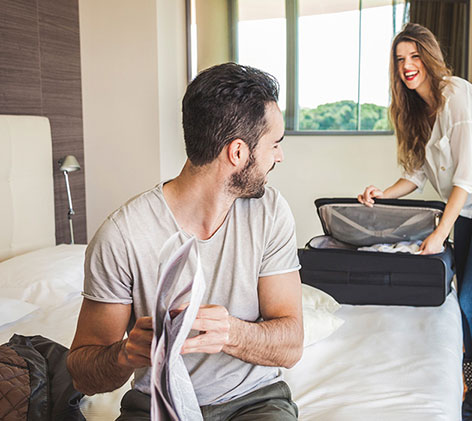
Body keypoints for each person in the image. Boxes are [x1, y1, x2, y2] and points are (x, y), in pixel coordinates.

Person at [67, 63, 304, 421]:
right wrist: (125, 353)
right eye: (275, 144)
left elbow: (291, 344)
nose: (279, 156)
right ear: (237, 153)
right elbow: (82, 372)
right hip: (155, 405)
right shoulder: (122, 235)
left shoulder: (270, 212)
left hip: (254, 402)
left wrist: (231, 333)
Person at [357, 23, 472, 421]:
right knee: (465, 300)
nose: (407, 66)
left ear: (429, 58)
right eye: (400, 60)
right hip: (468, 205)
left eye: (414, 56)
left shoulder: (457, 96)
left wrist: (439, 233)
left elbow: (465, 177)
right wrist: (382, 192)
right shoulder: (416, 111)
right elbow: (416, 175)